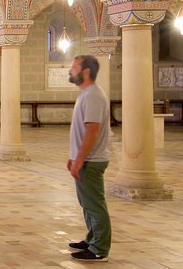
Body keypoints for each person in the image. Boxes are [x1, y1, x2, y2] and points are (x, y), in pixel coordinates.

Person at [66, 54, 111, 262]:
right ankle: (92, 239)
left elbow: (92, 131)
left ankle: (99, 248)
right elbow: (83, 132)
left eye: (74, 68)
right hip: (85, 159)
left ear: (85, 72)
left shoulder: (93, 95)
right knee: (87, 203)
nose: (70, 71)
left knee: (94, 204)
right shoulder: (86, 94)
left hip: (91, 160)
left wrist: (80, 159)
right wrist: (74, 157)